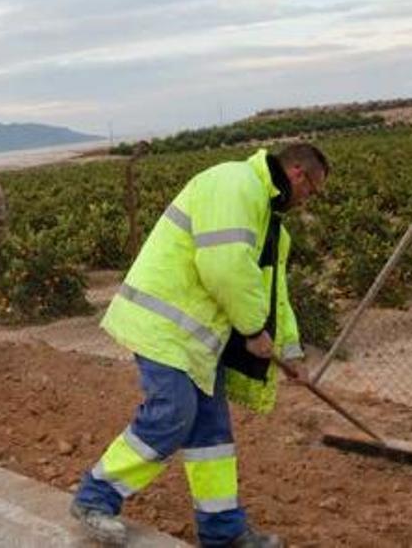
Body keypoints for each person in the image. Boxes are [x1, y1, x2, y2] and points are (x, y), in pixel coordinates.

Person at [70, 143, 329, 548]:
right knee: (173, 413)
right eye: (312, 191)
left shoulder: (269, 220)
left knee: (212, 435)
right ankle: (94, 497)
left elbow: (274, 295)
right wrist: (251, 330)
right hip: (163, 326)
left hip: (200, 342)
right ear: (298, 173)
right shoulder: (236, 184)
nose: (309, 200)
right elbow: (223, 269)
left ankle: (223, 532)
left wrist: (290, 350)